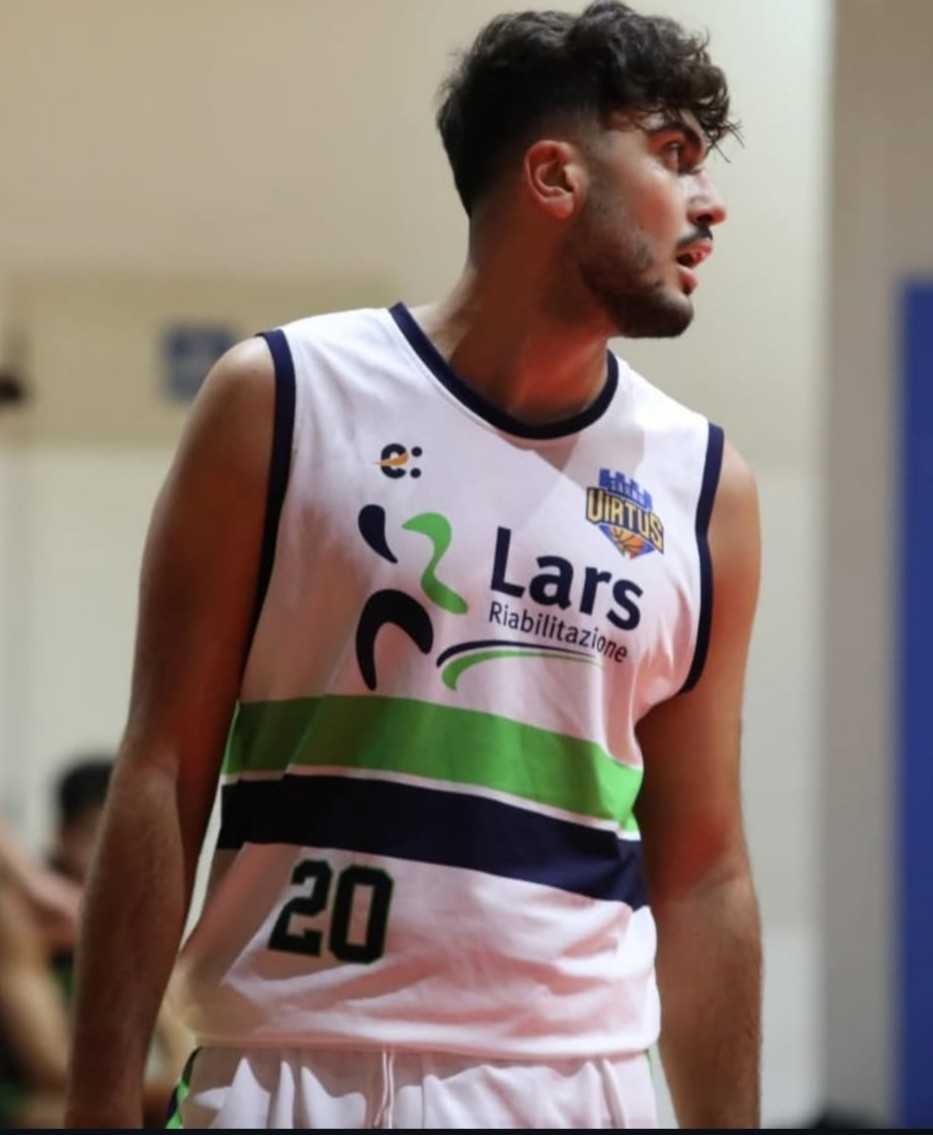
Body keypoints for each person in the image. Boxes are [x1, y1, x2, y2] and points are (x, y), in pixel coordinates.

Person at [65, 1, 762, 1128]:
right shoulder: (282, 399)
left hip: (575, 1083)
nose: (710, 202)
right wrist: (97, 1109)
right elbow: (160, 772)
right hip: (294, 1066)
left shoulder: (705, 487)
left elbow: (703, 870)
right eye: (674, 155)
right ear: (554, 176)